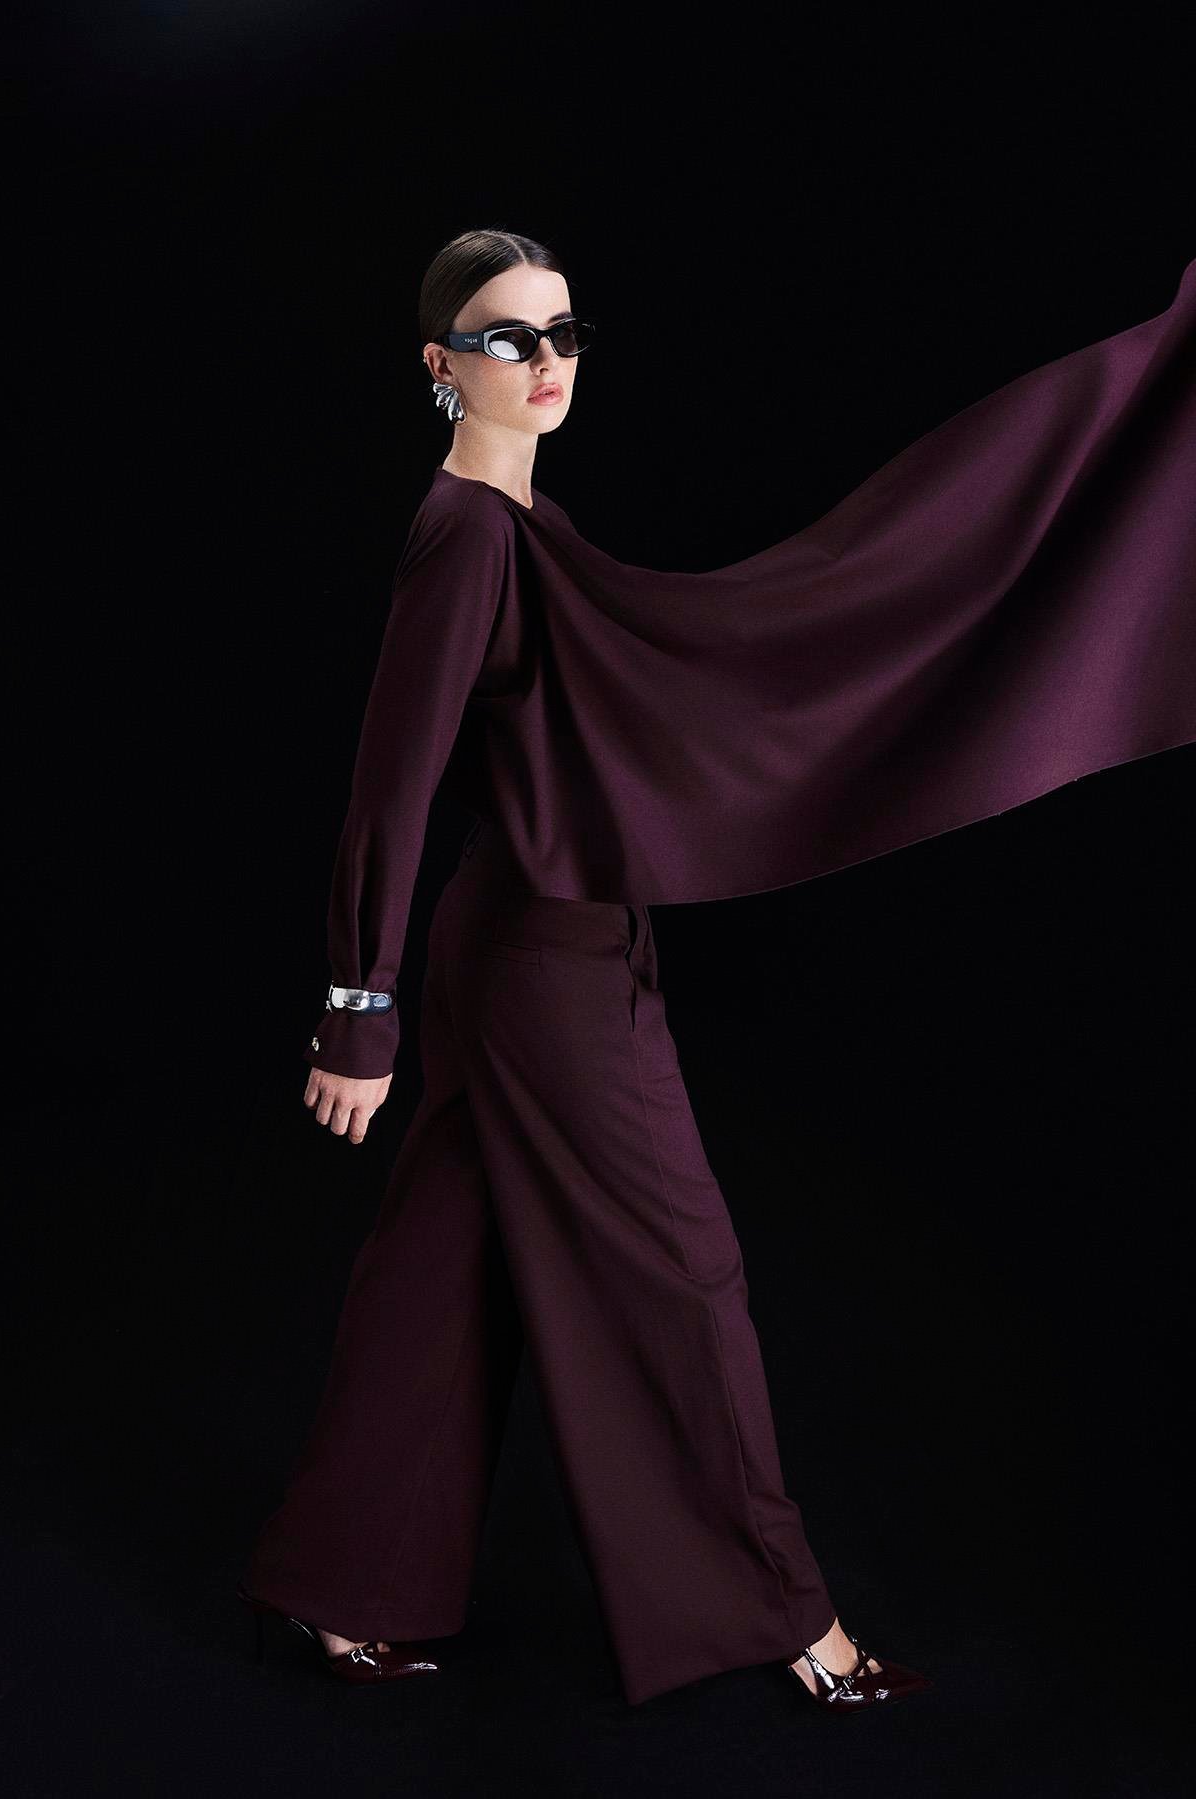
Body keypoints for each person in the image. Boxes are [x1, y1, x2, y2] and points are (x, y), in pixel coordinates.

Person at [238, 228, 1195, 1704]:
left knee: (444, 1267)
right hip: (541, 961)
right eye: (508, 339)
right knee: (685, 1274)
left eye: (564, 333)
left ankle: (340, 1582)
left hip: (554, 933)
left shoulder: (523, 520)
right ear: (441, 366)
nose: (547, 363)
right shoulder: (466, 536)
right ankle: (788, 1618)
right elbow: (393, 782)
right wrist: (356, 1008)